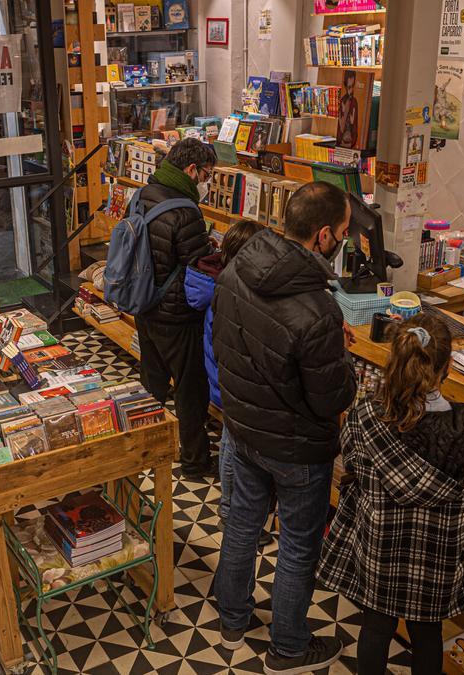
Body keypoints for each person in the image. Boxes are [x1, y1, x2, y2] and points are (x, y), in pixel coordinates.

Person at [212, 182, 357, 674]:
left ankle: (232, 617)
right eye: (341, 233)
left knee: (242, 525)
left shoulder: (235, 267)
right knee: (297, 545)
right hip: (296, 447)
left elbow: (228, 342)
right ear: (321, 236)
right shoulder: (318, 310)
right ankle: (288, 648)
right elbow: (332, 397)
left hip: (242, 427)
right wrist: (343, 358)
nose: (343, 241)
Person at [317, 312, 464, 675]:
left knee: (376, 626)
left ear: (393, 363)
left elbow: (351, 461)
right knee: (428, 633)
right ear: (446, 367)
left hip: (381, 541)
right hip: (438, 549)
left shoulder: (365, 416)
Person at [135, 137, 218, 479]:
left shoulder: (144, 194)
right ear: (190, 170)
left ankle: (144, 450)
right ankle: (196, 462)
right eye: (206, 174)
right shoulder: (186, 211)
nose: (206, 181)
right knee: (189, 391)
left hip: (144, 304)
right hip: (179, 317)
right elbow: (199, 264)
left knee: (152, 384)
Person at [182, 219, 264, 527]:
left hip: (222, 379)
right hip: (229, 385)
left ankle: (237, 505)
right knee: (233, 442)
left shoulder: (223, 283)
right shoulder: (232, 293)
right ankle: (230, 508)